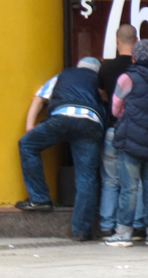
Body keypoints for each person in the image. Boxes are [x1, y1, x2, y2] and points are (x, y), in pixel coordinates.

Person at [17, 57, 106, 240]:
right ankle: (81, 230)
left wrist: (30, 125)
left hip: (63, 116)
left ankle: (39, 198)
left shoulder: (65, 75)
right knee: (86, 177)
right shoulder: (99, 80)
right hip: (90, 123)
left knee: (27, 144)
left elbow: (39, 97)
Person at [104, 40, 148, 247]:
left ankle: (124, 233)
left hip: (131, 140)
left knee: (129, 187)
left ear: (135, 57)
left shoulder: (127, 78)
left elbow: (115, 108)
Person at [97, 24, 136, 236]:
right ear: (136, 41)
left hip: (113, 127)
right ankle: (136, 223)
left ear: (117, 41)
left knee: (111, 180)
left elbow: (103, 95)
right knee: (135, 181)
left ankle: (106, 225)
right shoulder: (139, 67)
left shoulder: (106, 68)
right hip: (135, 132)